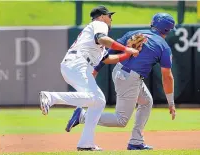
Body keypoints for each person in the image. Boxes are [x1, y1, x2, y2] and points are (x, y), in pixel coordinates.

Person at [65, 13, 177, 150]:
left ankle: (136, 141)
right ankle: (82, 116)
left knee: (146, 102)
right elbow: (167, 76)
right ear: (167, 30)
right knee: (121, 120)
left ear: (152, 24)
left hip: (120, 71)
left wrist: (96, 69)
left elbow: (110, 50)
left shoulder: (135, 32)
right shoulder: (163, 47)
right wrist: (171, 102)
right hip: (130, 78)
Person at [39, 5, 139, 151]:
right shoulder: (99, 24)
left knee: (98, 101)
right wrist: (126, 48)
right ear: (102, 16)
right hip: (78, 64)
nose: (111, 19)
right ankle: (50, 97)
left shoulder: (93, 32)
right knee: (94, 98)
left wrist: (128, 54)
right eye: (109, 15)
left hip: (76, 65)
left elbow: (107, 58)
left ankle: (86, 143)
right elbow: (102, 39)